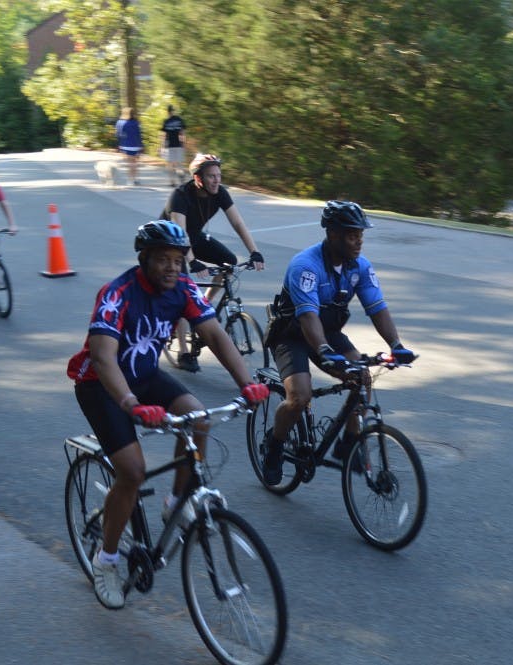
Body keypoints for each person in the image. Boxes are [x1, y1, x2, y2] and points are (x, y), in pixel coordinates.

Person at [66, 220, 270, 610]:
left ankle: (177, 501)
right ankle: (106, 561)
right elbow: (104, 357)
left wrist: (246, 383)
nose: (173, 267)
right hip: (104, 386)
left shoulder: (184, 288)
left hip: (144, 374)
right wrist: (130, 405)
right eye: (163, 260)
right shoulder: (117, 293)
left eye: (179, 260)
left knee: (198, 418)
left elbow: (214, 334)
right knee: (132, 472)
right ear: (144, 260)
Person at [259, 200, 416, 484]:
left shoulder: (360, 266)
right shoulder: (305, 266)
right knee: (299, 398)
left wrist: (396, 345)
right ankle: (275, 444)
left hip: (328, 333)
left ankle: (349, 441)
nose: (359, 242)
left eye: (361, 235)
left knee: (362, 376)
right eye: (352, 235)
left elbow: (377, 308)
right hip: (291, 334)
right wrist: (323, 351)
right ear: (333, 234)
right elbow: (307, 317)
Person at [160, 152, 265, 372]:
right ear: (198, 179)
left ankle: (204, 305)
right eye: (211, 176)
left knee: (228, 261)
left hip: (194, 236)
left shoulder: (220, 193)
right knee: (182, 287)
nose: (217, 180)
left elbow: (237, 222)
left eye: (219, 175)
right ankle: (184, 352)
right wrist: (193, 262)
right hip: (169, 241)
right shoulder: (180, 196)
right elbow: (179, 233)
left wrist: (254, 252)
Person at [115, 107, 143, 186]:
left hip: (125, 145)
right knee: (135, 163)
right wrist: (141, 145)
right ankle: (136, 179)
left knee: (129, 163)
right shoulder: (136, 122)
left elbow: (118, 135)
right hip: (136, 145)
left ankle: (130, 180)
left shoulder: (119, 122)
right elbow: (139, 134)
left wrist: (119, 145)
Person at [159, 105, 186, 186]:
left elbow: (163, 135)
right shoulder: (179, 120)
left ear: (167, 112)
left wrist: (162, 146)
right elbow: (182, 133)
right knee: (179, 164)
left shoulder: (166, 121)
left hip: (169, 145)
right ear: (174, 111)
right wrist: (184, 144)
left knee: (170, 164)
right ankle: (181, 175)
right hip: (179, 145)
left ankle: (172, 182)